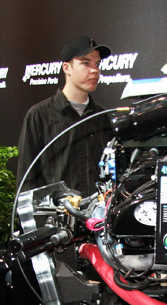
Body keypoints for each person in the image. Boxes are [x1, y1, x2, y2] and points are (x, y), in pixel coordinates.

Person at [17, 36, 113, 197]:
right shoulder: (39, 116)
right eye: (85, 63)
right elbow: (26, 180)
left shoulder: (102, 117)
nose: (94, 70)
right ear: (67, 68)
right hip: (55, 218)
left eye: (97, 64)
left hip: (96, 217)